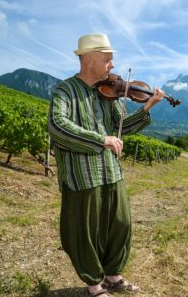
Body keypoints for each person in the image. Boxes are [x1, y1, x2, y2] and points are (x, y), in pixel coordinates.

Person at [48, 33, 165, 297]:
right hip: (82, 176)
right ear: (89, 60)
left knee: (121, 224)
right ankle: (94, 286)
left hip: (111, 172)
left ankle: (113, 276)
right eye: (107, 59)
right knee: (84, 232)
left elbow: (120, 130)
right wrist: (101, 139)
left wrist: (147, 106)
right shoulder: (65, 90)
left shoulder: (108, 94)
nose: (112, 66)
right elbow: (57, 126)